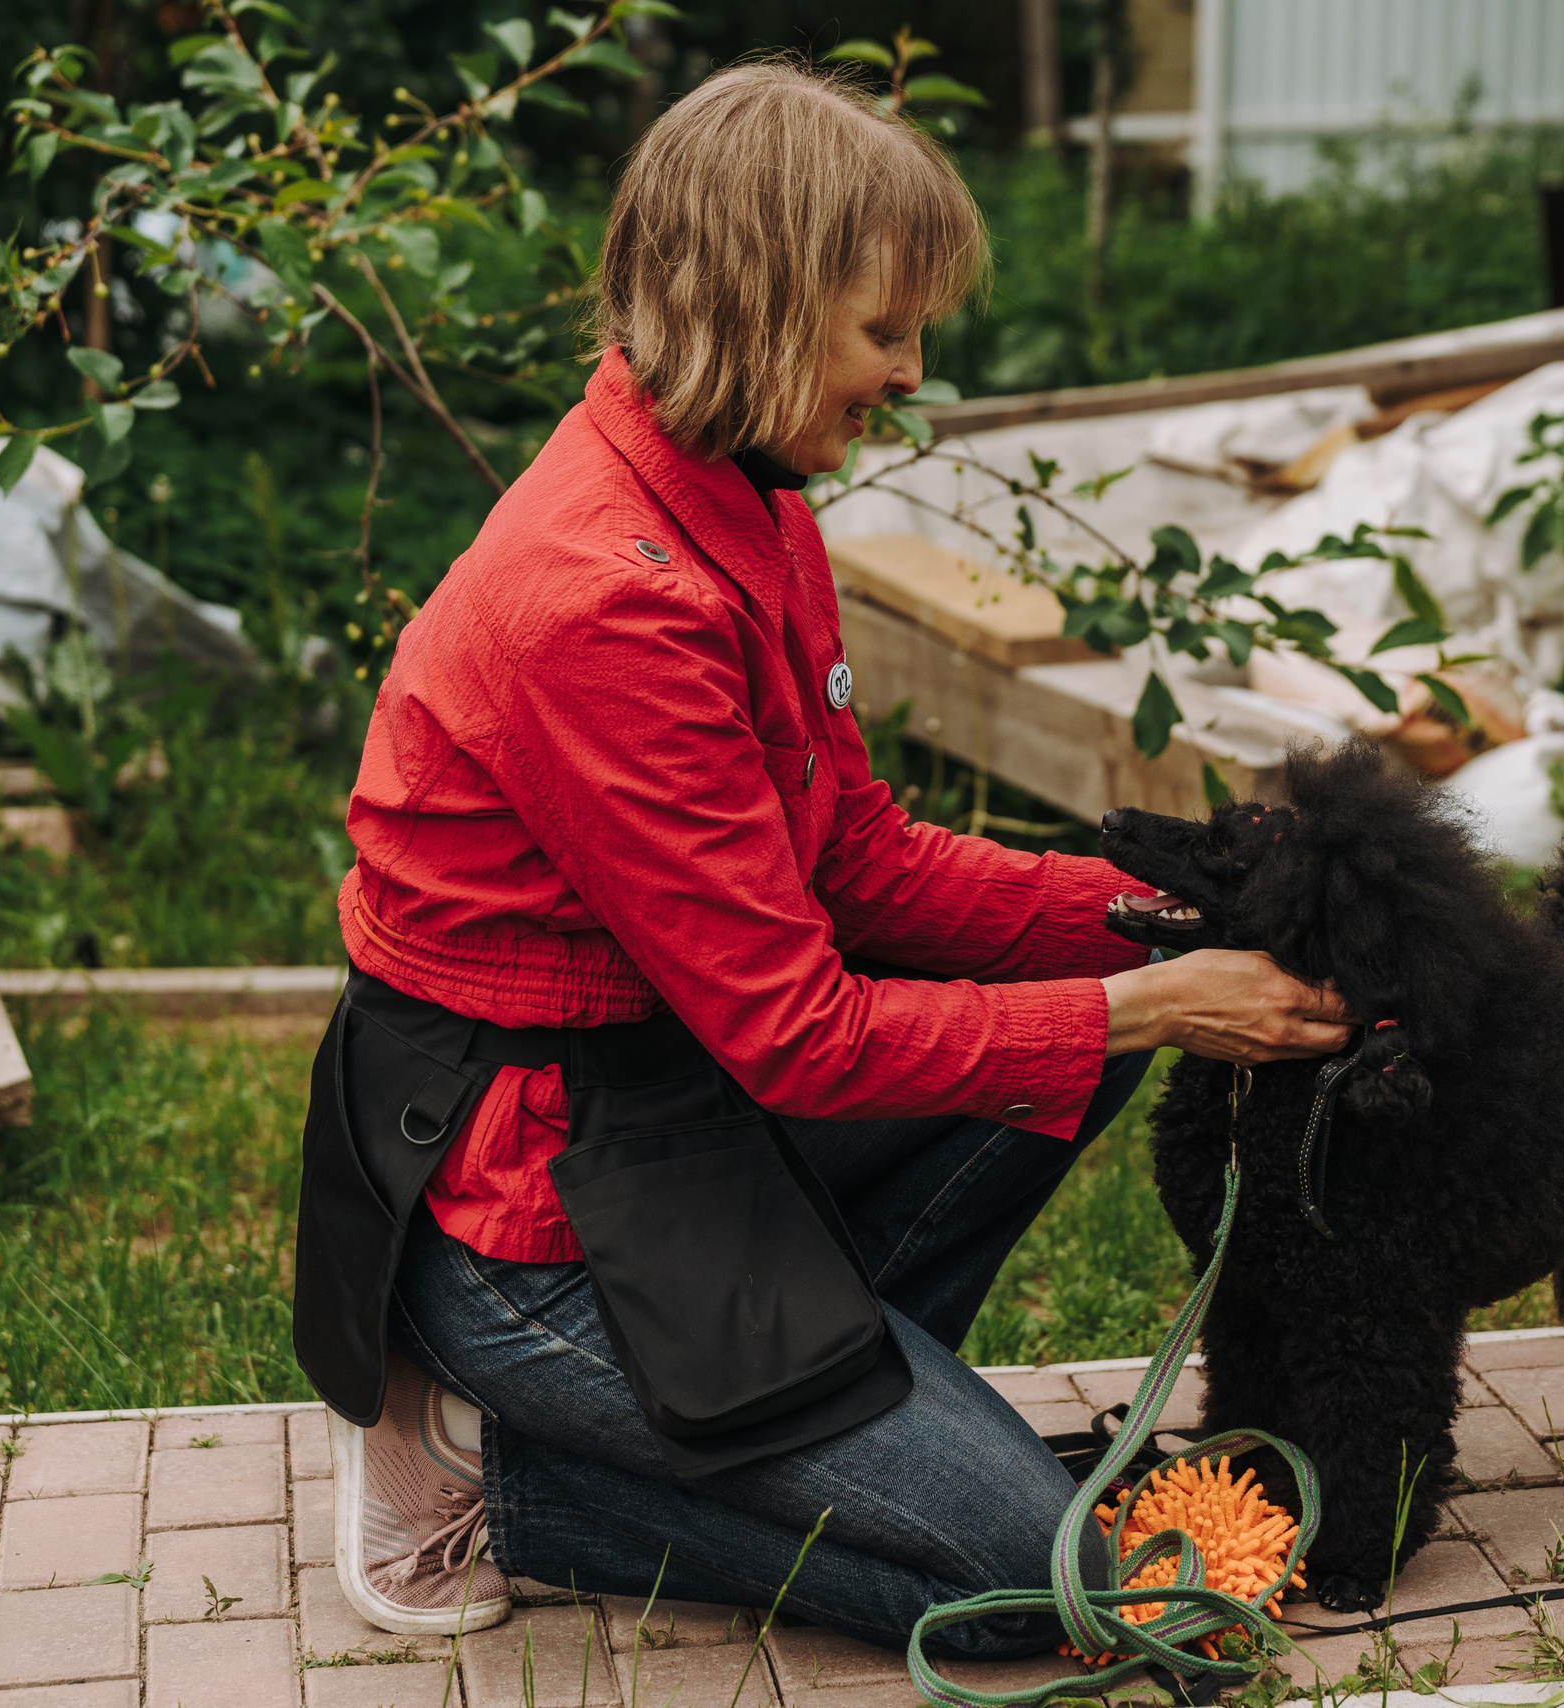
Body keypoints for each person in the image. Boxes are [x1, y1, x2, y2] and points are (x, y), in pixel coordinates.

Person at [290, 60, 1355, 1664]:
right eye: (884, 331)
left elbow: (854, 856)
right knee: (1025, 1581)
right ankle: (490, 1473)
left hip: (669, 1126)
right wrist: (1153, 1005)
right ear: (761, 304)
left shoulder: (744, 490)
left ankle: (791, 1415)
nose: (911, 371)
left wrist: (1162, 920)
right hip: (531, 1222)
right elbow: (804, 1033)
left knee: (1089, 1012)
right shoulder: (608, 602)